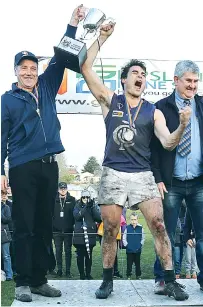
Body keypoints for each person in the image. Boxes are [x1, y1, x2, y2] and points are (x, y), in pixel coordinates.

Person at [81, 23, 191, 301]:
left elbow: (167, 142)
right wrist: (102, 37)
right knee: (111, 230)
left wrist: (181, 126)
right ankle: (107, 281)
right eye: (135, 73)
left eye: (143, 74)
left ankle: (170, 281)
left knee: (159, 226)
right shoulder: (109, 100)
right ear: (124, 80)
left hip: (142, 175)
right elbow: (85, 68)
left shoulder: (153, 111)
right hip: (113, 173)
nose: (140, 77)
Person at [1, 5, 85, 303]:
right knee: (23, 225)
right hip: (22, 167)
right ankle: (22, 281)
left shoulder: (48, 85)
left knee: (43, 226)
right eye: (23, 68)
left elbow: (62, 55)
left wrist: (72, 24)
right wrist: (0, 170)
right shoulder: (7, 100)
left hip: (50, 167)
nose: (29, 72)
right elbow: (1, 137)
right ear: (16, 71)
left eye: (33, 67)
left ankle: (39, 280)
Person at [151, 60, 203, 293]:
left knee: (202, 235)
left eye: (195, 81)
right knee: (166, 232)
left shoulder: (202, 105)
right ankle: (163, 278)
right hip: (170, 183)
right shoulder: (160, 107)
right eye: (188, 81)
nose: (192, 86)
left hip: (199, 181)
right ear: (175, 80)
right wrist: (158, 177)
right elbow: (153, 148)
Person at [73, 190, 101, 280]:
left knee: (89, 255)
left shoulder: (92, 206)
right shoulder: (77, 205)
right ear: (81, 197)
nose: (85, 199)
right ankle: (82, 274)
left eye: (87, 197)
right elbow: (77, 216)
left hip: (90, 233)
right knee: (80, 255)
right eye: (84, 197)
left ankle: (88, 274)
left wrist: (92, 207)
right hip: (80, 234)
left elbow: (98, 218)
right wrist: (85, 207)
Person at [53, 182, 76, 278]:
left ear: (67, 189)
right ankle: (59, 270)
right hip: (56, 231)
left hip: (68, 230)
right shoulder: (53, 199)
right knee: (58, 251)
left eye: (64, 188)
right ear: (58, 189)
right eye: (61, 188)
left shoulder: (72, 200)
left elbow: (74, 214)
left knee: (68, 251)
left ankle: (67, 271)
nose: (63, 190)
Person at [123, 213, 145, 279]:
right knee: (129, 263)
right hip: (129, 249)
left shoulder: (141, 228)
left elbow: (143, 238)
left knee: (137, 264)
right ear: (130, 220)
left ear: (137, 220)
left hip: (137, 249)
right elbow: (124, 237)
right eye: (132, 219)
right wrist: (127, 245)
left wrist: (140, 245)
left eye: (135, 219)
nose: (133, 221)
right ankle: (128, 275)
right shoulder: (127, 228)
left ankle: (138, 275)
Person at [1, 191, 13, 281]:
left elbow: (7, 220)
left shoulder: (6, 207)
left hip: (4, 234)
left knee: (6, 256)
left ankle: (9, 274)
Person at [183, 210, 198, 279]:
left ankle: (194, 271)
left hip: (196, 237)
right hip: (189, 238)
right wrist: (187, 238)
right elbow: (186, 226)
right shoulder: (188, 212)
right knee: (188, 256)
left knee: (194, 256)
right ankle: (188, 272)